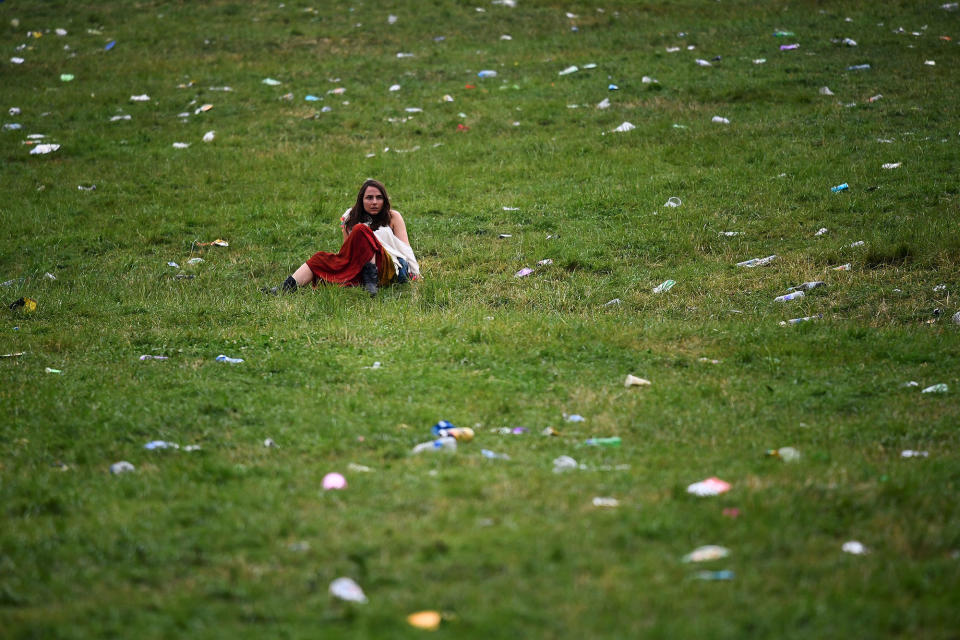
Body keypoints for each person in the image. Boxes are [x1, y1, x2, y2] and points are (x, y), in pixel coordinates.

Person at [265, 179, 419, 297]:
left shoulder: (393, 216)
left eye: (379, 198)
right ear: (361, 199)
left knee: (361, 229)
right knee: (319, 258)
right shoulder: (349, 218)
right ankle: (284, 289)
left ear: (384, 200)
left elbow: (405, 247)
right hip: (359, 265)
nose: (374, 202)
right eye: (369, 198)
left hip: (386, 265)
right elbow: (347, 250)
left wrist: (415, 273)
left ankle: (371, 283)